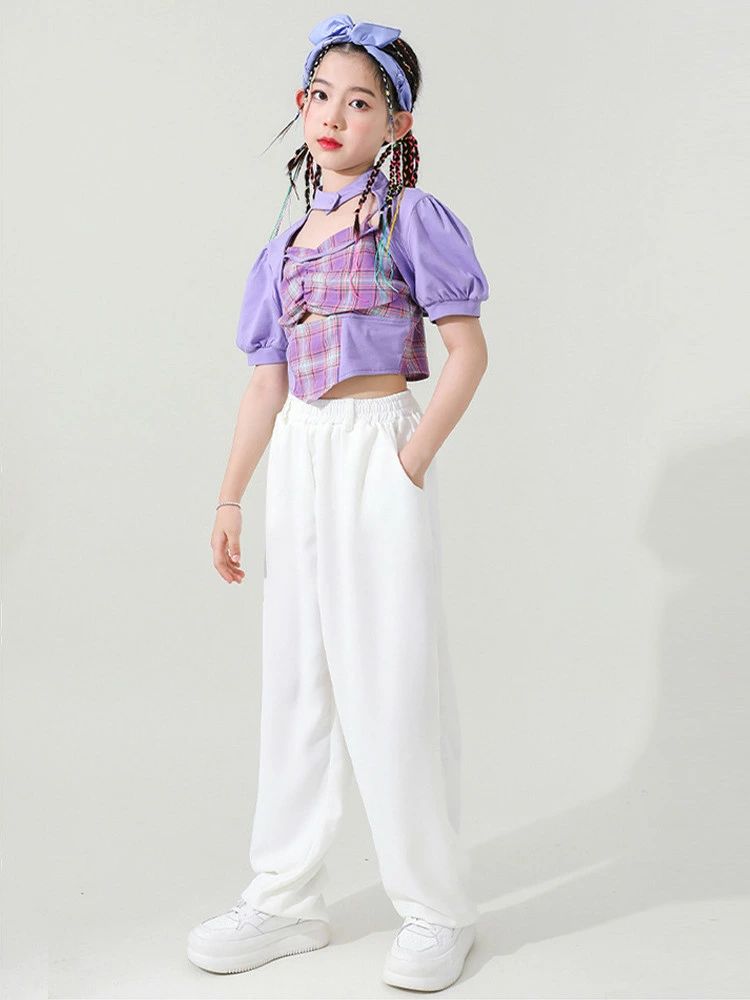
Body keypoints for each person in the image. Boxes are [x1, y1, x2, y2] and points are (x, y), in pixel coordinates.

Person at [187, 13, 490, 993]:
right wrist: (231, 495)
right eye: (322, 96)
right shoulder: (284, 246)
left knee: (391, 674)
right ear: (301, 104)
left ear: (396, 126)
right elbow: (265, 384)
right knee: (298, 678)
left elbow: (467, 352)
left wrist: (409, 461)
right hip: (301, 457)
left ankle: (436, 908)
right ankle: (285, 899)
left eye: (361, 103)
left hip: (374, 450)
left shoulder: (408, 220)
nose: (334, 117)